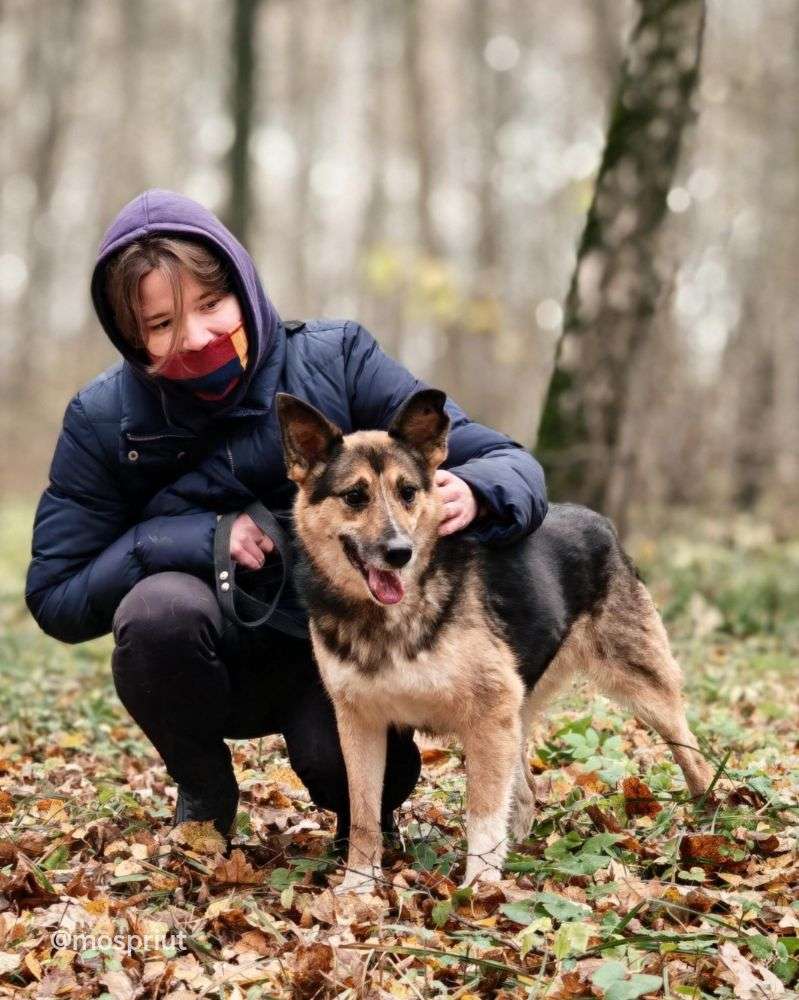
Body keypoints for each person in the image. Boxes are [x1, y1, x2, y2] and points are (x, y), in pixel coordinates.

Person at [25, 189, 548, 845]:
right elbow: (55, 595)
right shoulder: (105, 420)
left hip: (344, 656)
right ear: (129, 335)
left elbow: (509, 461)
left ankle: (364, 813)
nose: (196, 338)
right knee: (155, 614)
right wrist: (184, 538)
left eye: (212, 305)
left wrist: (473, 490)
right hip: (217, 655)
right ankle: (205, 788)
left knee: (353, 769)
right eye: (160, 326)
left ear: (243, 284)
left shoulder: (336, 358)